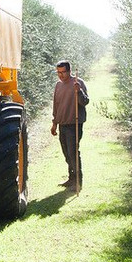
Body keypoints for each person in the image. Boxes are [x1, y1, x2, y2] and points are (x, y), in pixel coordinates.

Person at [50, 59, 89, 190]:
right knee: (66, 153)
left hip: (74, 124)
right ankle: (71, 178)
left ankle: (78, 182)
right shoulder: (58, 85)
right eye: (58, 72)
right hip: (62, 124)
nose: (61, 75)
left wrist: (79, 92)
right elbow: (56, 105)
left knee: (73, 153)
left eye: (63, 72)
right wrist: (54, 123)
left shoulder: (78, 83)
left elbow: (85, 102)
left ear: (69, 71)